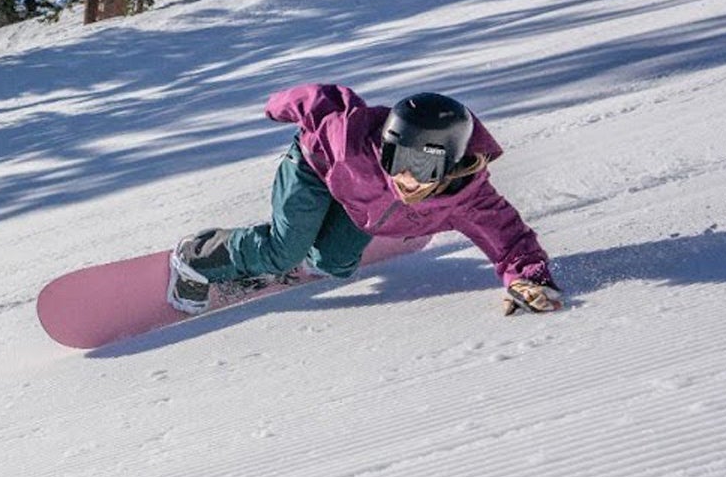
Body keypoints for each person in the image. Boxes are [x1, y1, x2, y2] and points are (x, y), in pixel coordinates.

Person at [169, 84, 561, 317]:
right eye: (395, 157)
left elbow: (512, 242)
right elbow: (320, 101)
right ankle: (197, 256)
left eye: (421, 166)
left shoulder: (469, 200)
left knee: (335, 265)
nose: (403, 175)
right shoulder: (351, 145)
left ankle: (284, 257)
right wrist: (276, 105)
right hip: (315, 171)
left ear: (451, 164)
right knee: (284, 250)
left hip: (360, 205)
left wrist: (529, 281)